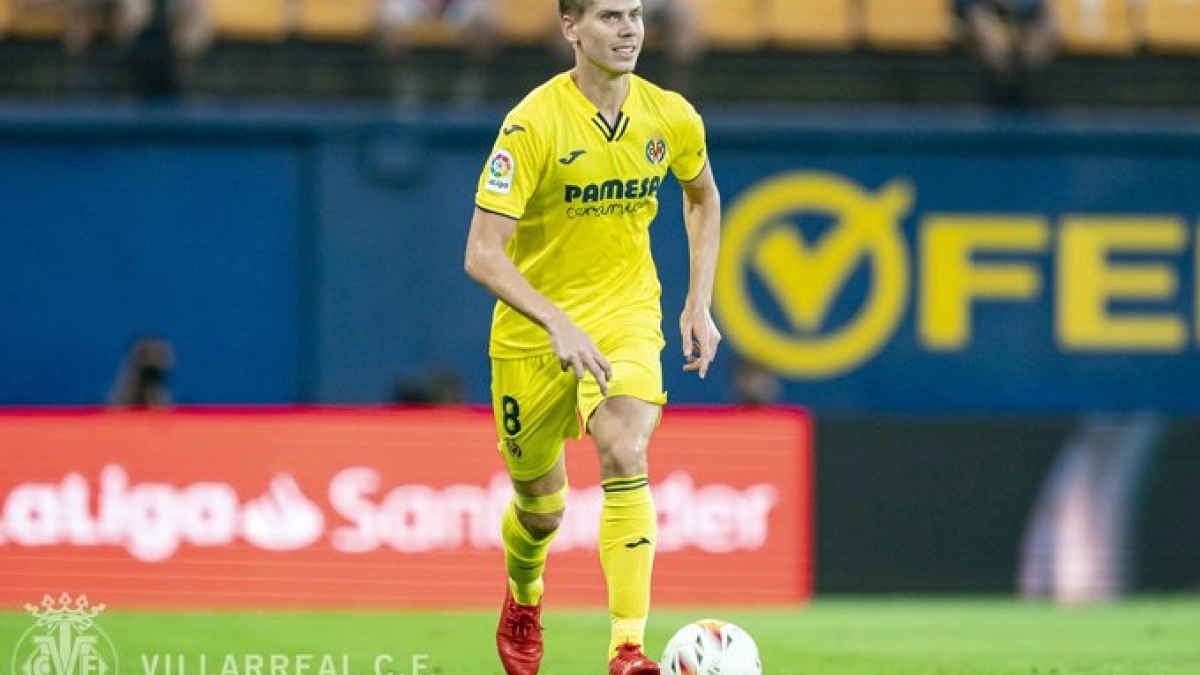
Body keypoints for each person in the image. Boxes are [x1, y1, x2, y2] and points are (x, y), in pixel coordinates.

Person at [462, 0, 722, 672]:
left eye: (634, 14)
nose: (630, 28)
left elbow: (702, 195)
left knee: (625, 447)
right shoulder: (531, 125)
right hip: (532, 331)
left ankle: (627, 648)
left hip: (627, 313)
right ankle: (524, 594)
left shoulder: (670, 115)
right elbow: (482, 253)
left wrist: (698, 300)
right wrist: (555, 319)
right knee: (541, 510)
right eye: (610, 16)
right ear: (571, 27)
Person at [375, 0, 498, 106]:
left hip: (457, 4)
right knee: (386, 20)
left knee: (485, 20)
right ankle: (404, 81)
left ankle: (473, 80)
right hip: (417, 4)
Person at [956, 0, 1058, 105]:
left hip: (1024, 14)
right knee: (983, 23)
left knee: (1049, 22)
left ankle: (1027, 77)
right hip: (983, 9)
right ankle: (1004, 81)